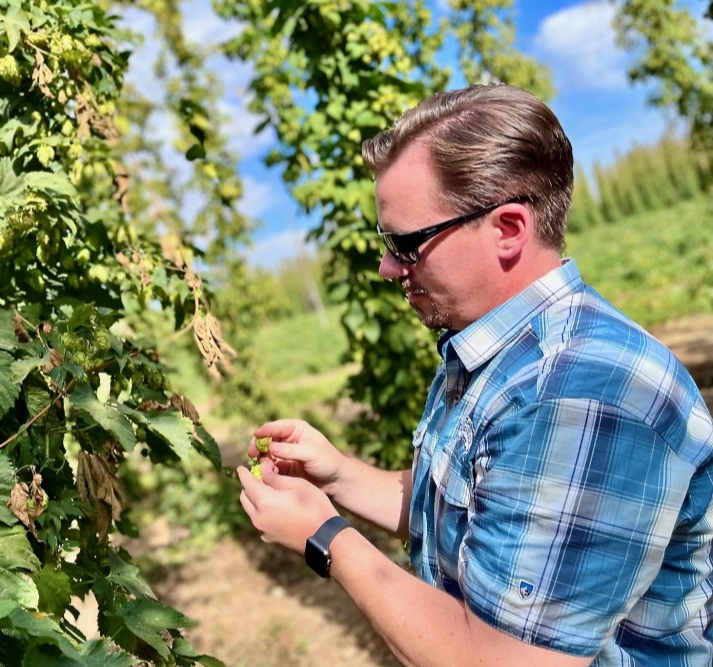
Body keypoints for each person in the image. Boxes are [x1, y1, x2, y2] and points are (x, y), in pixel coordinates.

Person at [237, 83, 713, 666]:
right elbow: (469, 510)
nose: (388, 268)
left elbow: (505, 659)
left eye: (406, 244)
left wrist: (326, 538)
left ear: (508, 230)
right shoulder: (491, 351)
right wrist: (339, 476)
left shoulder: (578, 391)